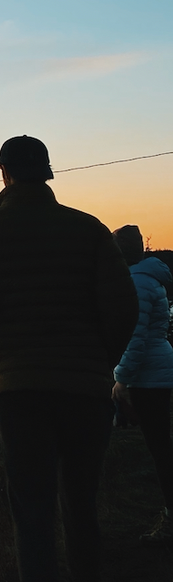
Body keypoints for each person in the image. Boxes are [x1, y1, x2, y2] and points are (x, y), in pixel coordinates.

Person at [0, 136, 137, 582]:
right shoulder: (89, 229)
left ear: (3, 172)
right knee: (81, 499)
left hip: (17, 390)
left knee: (31, 505)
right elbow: (123, 306)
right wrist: (100, 363)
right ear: (47, 172)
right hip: (86, 388)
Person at [111, 224, 173, 546]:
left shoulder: (135, 282)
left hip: (149, 375)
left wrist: (121, 378)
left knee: (161, 449)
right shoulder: (151, 278)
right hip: (156, 371)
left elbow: (135, 339)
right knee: (161, 445)